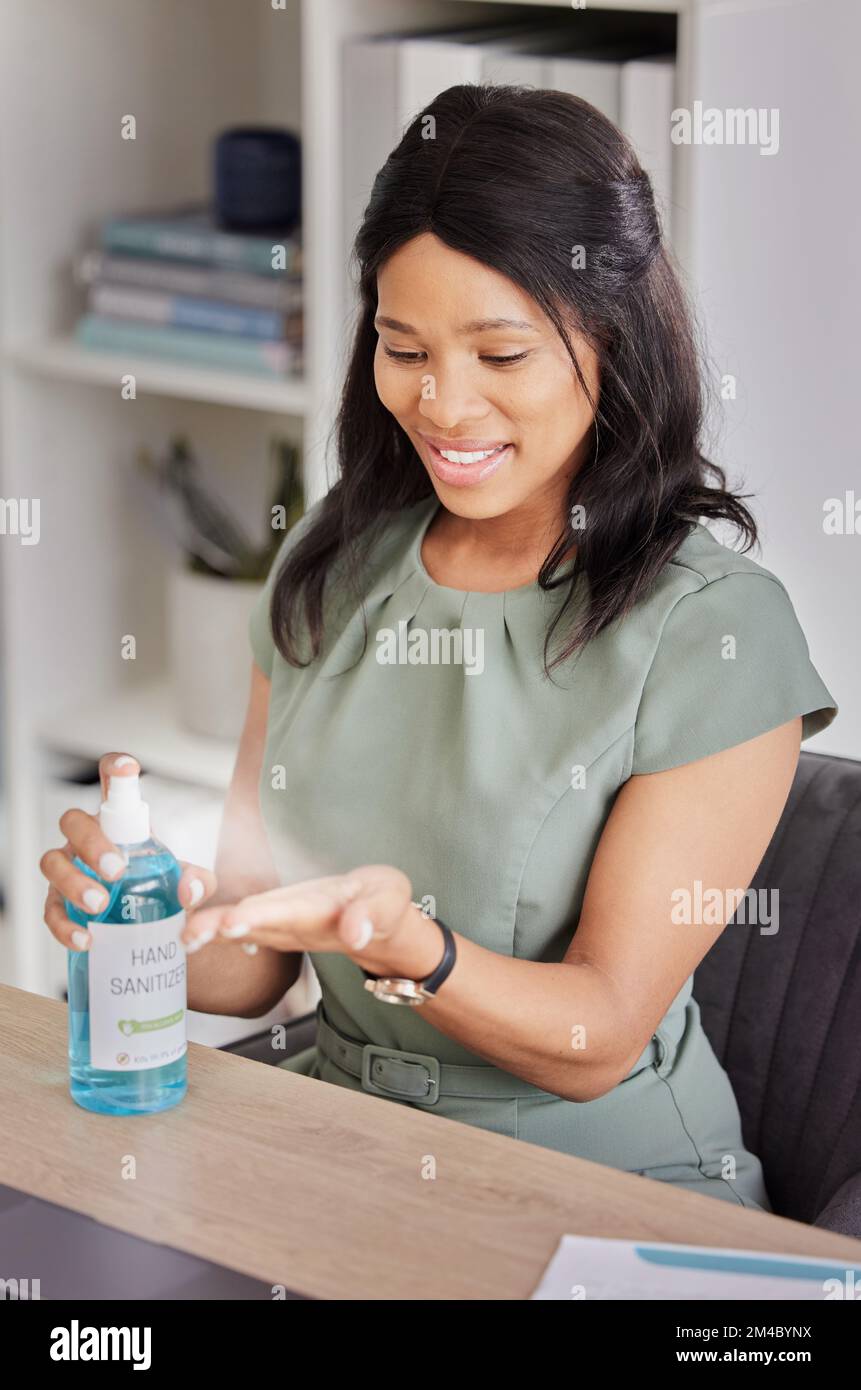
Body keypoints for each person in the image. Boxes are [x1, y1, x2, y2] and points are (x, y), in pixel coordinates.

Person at [41, 86, 837, 1211]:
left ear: (615, 340)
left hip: (604, 1186)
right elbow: (256, 961)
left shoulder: (714, 628)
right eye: (402, 345)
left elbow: (599, 1030)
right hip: (337, 1143)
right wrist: (144, 922)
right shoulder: (331, 567)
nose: (443, 405)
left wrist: (410, 944)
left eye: (502, 354)